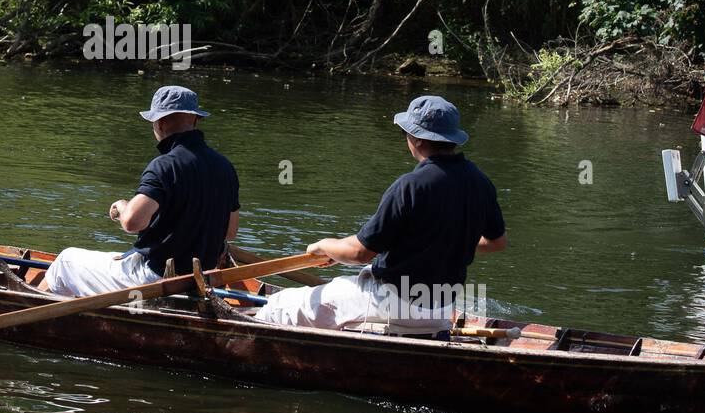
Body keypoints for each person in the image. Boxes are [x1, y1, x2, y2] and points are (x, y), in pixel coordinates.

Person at [251, 95, 506, 332]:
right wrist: (449, 245)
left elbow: (360, 253)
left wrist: (324, 246)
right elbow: (497, 242)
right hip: (441, 311)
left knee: (276, 306)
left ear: (416, 138)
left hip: (392, 303)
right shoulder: (481, 182)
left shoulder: (410, 186)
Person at [44, 86, 240, 296]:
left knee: (65, 261)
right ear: (194, 120)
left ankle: (36, 310)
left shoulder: (164, 165)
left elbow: (132, 222)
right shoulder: (225, 167)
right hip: (199, 282)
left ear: (160, 123)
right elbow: (229, 232)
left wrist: (122, 206)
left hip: (155, 279)